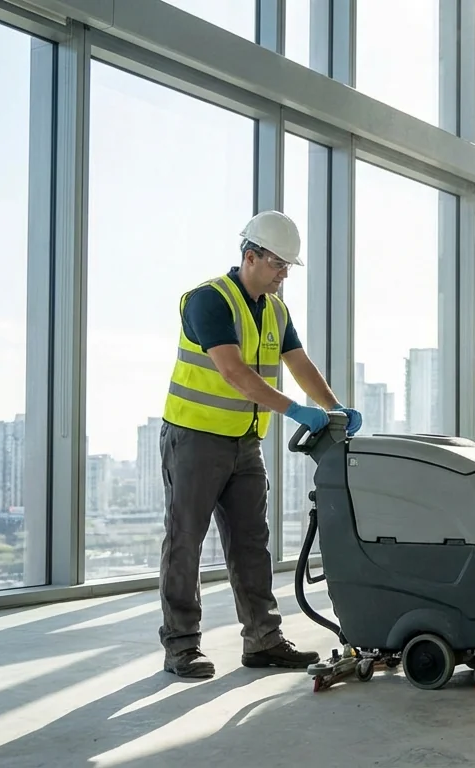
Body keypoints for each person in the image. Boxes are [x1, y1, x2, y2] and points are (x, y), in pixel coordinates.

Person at [159, 210, 364, 679]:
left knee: (253, 543)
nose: (284, 273)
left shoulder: (275, 309)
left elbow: (298, 362)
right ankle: (181, 646)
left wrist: (332, 407)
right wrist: (295, 411)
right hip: (194, 438)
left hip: (244, 443)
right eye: (278, 264)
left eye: (289, 266)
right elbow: (233, 372)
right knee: (185, 541)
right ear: (250, 257)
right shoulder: (208, 301)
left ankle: (263, 641)